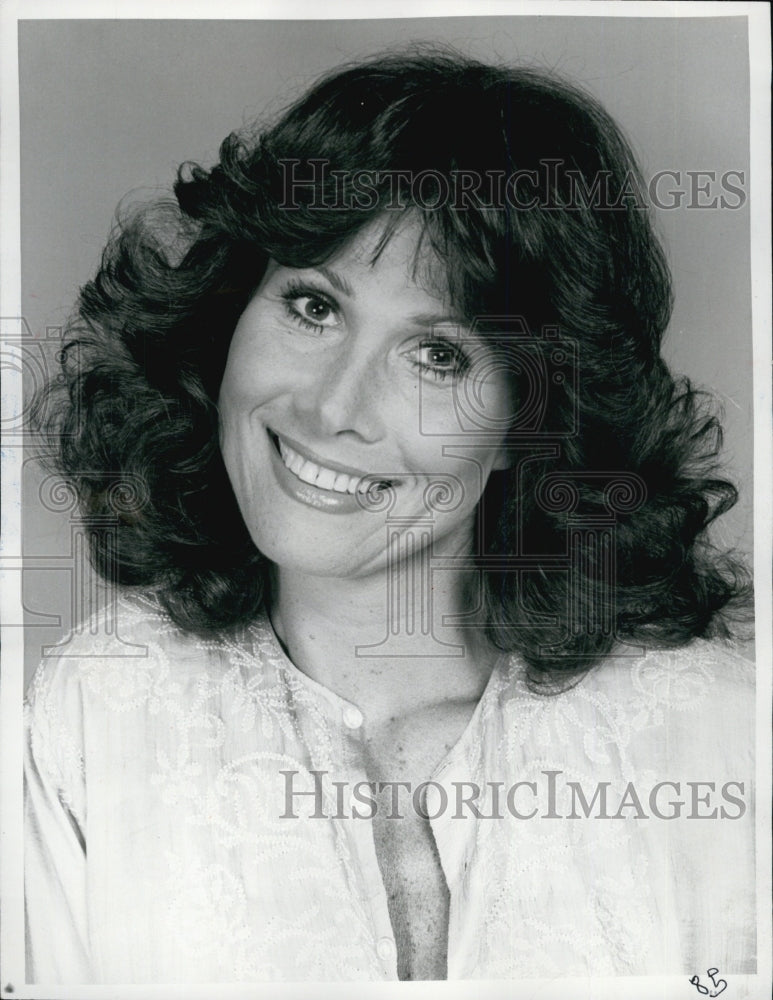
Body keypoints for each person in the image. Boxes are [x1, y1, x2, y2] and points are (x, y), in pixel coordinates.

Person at [25, 48, 755, 983]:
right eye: (312, 306)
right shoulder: (93, 712)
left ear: (530, 422)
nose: (333, 408)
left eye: (439, 357)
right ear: (228, 314)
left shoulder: (716, 736)